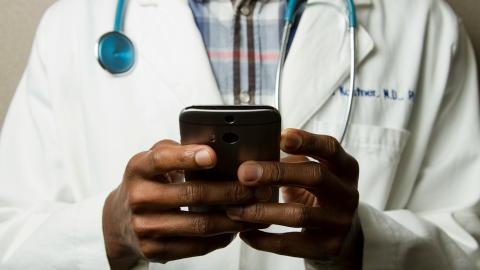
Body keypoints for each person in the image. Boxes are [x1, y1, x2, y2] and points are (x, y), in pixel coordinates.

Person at [0, 0, 479, 269]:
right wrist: (107, 231)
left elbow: (469, 241)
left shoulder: (426, 25)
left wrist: (363, 244)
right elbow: (9, 242)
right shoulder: (72, 25)